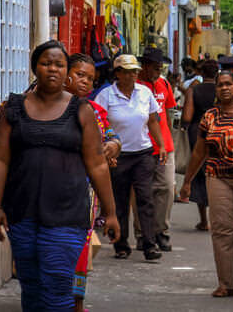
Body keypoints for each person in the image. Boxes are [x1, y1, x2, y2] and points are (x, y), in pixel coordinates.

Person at [0, 40, 120, 310]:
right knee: (31, 286)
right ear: (35, 67)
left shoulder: (81, 110)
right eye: (46, 63)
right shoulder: (12, 107)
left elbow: (97, 165)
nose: (53, 69)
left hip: (67, 215)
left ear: (67, 71)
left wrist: (111, 212)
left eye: (59, 64)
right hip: (22, 213)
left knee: (58, 288)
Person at [179, 70, 233, 298]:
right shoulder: (209, 116)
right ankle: (226, 283)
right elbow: (199, 151)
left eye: (229, 84)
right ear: (216, 90)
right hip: (217, 177)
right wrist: (187, 181)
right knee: (222, 230)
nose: (224, 88)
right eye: (220, 85)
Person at [93, 54, 167, 260]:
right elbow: (98, 125)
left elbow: (153, 120)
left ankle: (149, 244)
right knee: (119, 200)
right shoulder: (106, 95)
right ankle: (121, 243)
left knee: (145, 198)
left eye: (134, 71)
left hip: (142, 153)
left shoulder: (145, 92)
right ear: (117, 73)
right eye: (127, 71)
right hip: (118, 156)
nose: (132, 75)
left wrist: (160, 145)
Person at [66, 53, 121, 312]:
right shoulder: (36, 107)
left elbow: (112, 136)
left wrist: (113, 145)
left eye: (91, 78)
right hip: (44, 191)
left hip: (84, 193)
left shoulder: (95, 111)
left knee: (81, 249)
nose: (86, 82)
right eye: (80, 75)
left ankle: (77, 302)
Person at [138, 47, 177, 252]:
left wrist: (168, 140)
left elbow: (167, 113)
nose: (158, 72)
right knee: (142, 192)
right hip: (142, 146)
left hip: (164, 146)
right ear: (144, 66)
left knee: (167, 188)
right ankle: (142, 234)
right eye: (155, 68)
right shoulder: (135, 85)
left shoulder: (164, 84)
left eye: (160, 68)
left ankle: (161, 230)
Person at [182, 59, 219, 231]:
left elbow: (187, 117)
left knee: (199, 171)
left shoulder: (193, 90)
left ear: (202, 73)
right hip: (218, 131)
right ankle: (218, 217)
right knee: (216, 172)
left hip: (198, 131)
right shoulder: (222, 90)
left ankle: (204, 220)